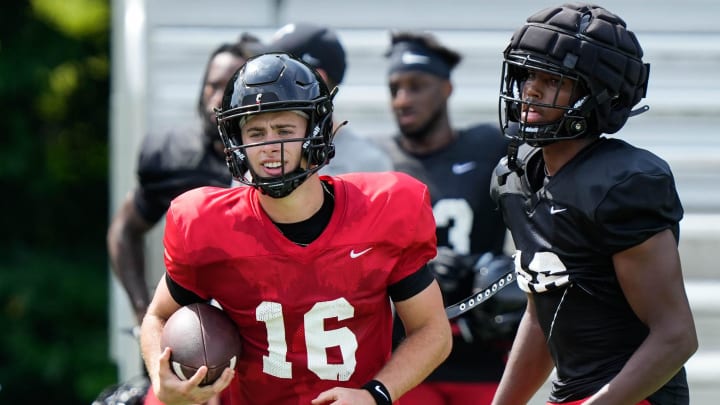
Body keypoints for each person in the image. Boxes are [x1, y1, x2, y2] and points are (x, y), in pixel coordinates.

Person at [139, 52, 452, 405]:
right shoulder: (206, 225)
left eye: (284, 130)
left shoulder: (383, 209)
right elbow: (158, 316)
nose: (269, 146)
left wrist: (375, 395)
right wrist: (161, 376)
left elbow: (432, 330)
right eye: (255, 132)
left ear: (315, 130)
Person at [489, 3, 698, 404]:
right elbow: (542, 315)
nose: (530, 89)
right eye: (529, 73)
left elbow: (676, 336)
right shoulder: (515, 179)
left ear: (594, 94)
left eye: (551, 79)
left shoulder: (623, 184)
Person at [379, 30, 524, 405]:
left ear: (445, 88)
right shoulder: (376, 162)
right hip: (405, 358)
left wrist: (496, 270)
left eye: (416, 86)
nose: (402, 99)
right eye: (395, 88)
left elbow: (541, 233)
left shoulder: (491, 147)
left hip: (483, 350)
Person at [107, 33, 262, 327]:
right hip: (190, 330)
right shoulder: (173, 155)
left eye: (230, 88)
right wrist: (144, 311)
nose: (218, 98)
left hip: (261, 325)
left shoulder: (272, 157)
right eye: (212, 85)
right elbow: (124, 230)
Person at [267, 22, 394, 175]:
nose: (264, 82)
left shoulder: (366, 163)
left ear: (313, 79)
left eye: (277, 72)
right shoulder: (257, 152)